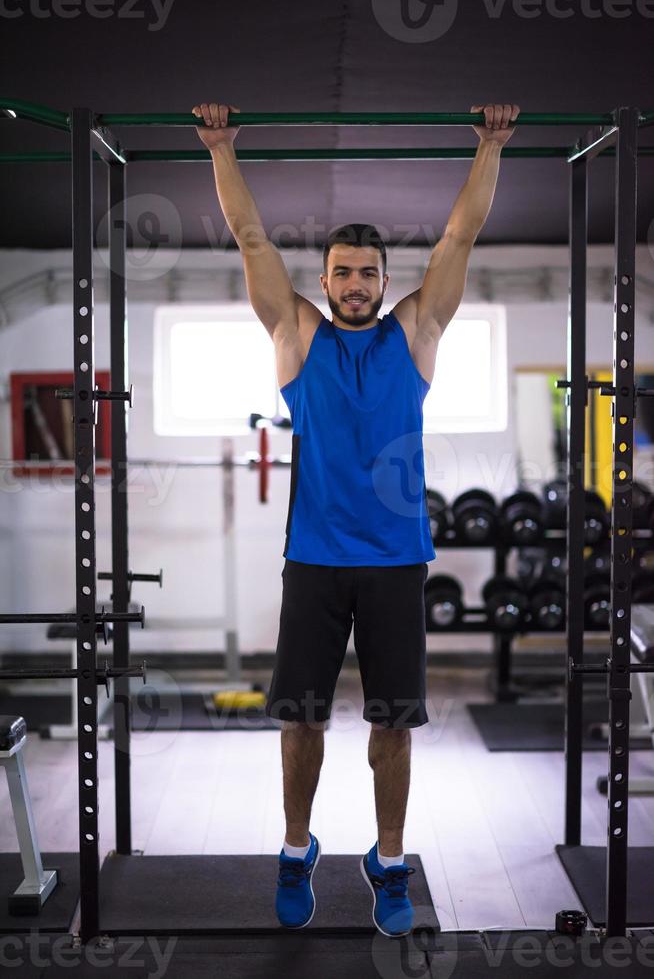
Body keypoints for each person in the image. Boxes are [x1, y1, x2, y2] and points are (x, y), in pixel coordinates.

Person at [193, 100, 520, 938]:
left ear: (383, 280)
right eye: (342, 271)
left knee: (393, 724)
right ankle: (298, 845)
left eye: (369, 272)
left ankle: (389, 857)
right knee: (301, 714)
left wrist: (489, 145)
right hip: (315, 561)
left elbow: (457, 241)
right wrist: (224, 146)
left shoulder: (415, 334)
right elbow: (253, 241)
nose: (355, 284)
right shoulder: (297, 336)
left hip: (395, 563)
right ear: (326, 278)